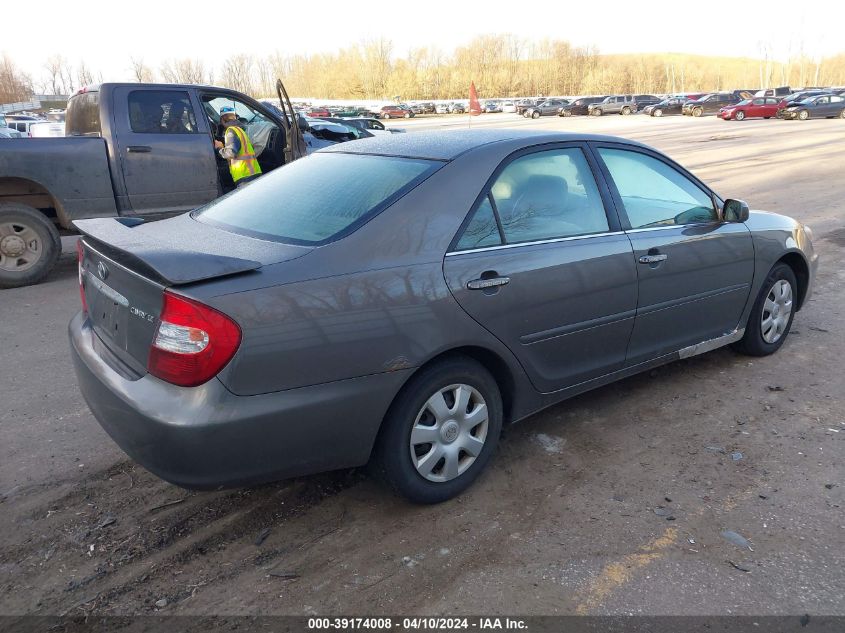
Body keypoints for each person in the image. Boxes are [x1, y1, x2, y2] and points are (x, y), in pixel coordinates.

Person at [213, 106, 262, 187]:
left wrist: (219, 148)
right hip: (253, 172)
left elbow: (231, 153)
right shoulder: (239, 130)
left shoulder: (231, 131)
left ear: (222, 120)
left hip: (244, 175)